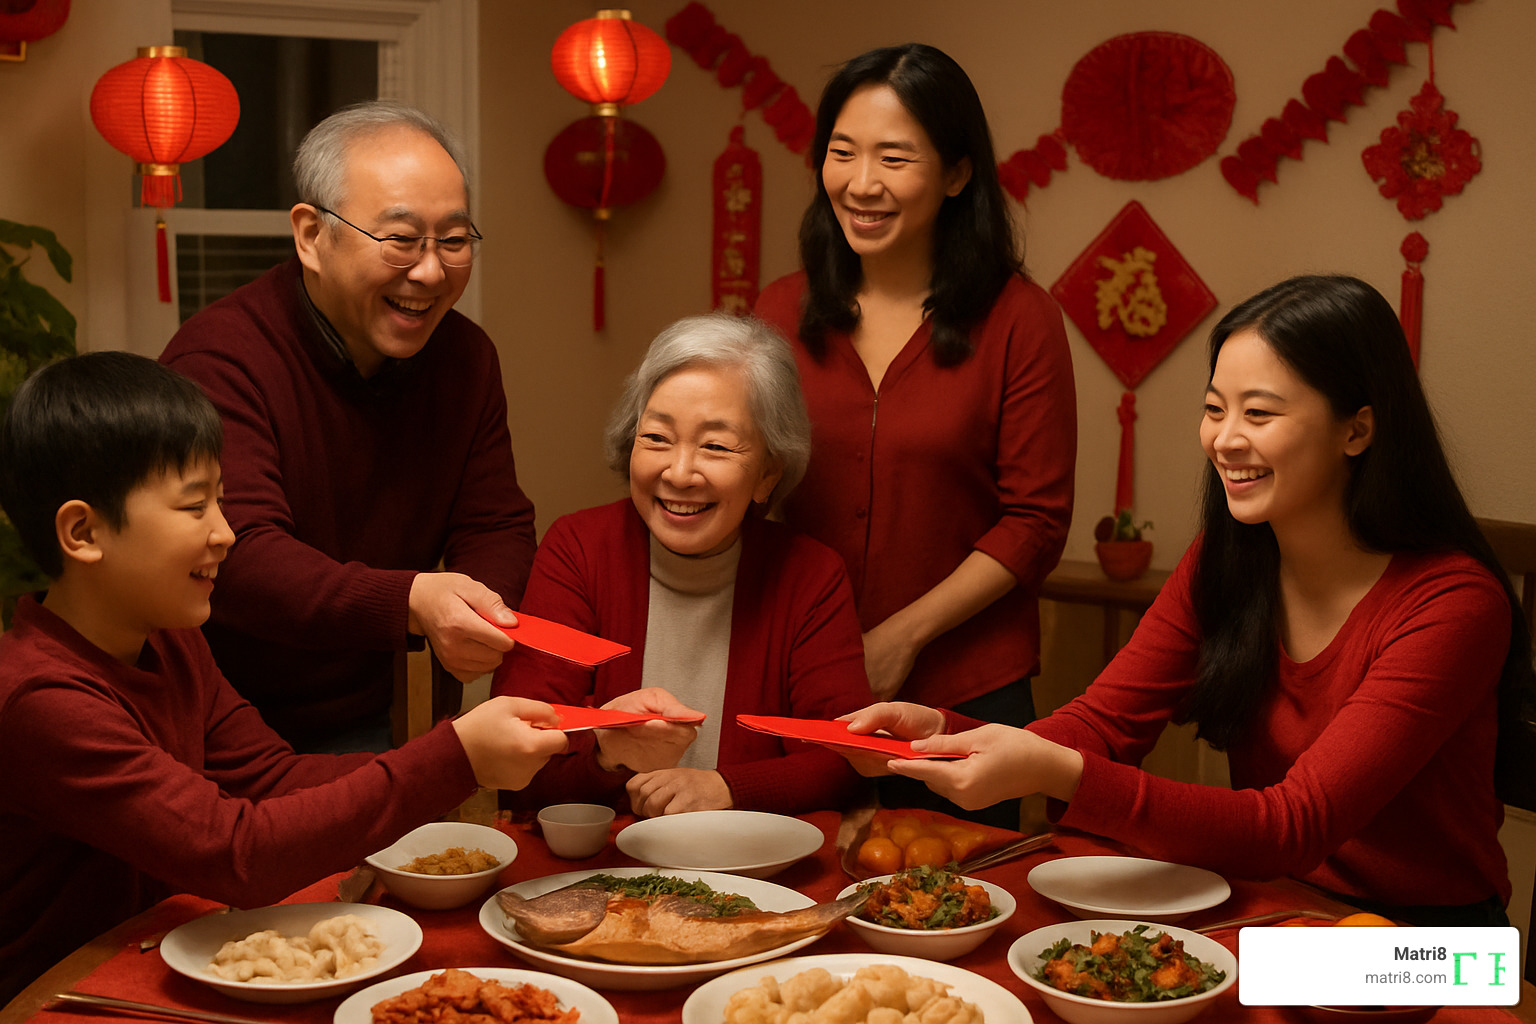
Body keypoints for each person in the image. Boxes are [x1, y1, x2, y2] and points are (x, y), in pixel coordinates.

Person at [838, 275, 1532, 925]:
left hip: (1434, 948)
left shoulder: (1455, 604)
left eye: (1258, 413)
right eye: (1213, 410)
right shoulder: (1230, 559)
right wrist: (940, 735)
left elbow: (1295, 825)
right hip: (1274, 906)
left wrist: (1055, 770)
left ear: (1358, 428)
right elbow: (1104, 724)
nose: (1225, 440)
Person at [0, 352, 568, 1004]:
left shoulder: (172, 642)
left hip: (148, 964)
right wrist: (455, 758)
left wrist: (465, 750)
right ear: (83, 531)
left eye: (221, 499)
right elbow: (238, 853)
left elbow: (271, 780)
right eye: (194, 507)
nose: (225, 532)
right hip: (55, 999)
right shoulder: (40, 700)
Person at [753, 43, 1075, 827]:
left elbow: (1035, 521)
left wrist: (900, 637)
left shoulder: (1020, 319)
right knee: (792, 902)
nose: (862, 184)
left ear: (957, 173)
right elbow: (745, 488)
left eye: (894, 158)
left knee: (955, 912)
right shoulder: (777, 313)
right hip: (799, 685)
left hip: (968, 688)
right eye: (842, 153)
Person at [161, 100, 535, 752]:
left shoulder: (466, 357)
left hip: (396, 706)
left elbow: (495, 522)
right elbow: (240, 553)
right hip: (229, 716)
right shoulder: (221, 356)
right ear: (311, 235)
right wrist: (412, 600)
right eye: (400, 239)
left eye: (452, 240)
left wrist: (479, 611)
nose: (429, 271)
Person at [491, 314, 873, 817]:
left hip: (753, 873)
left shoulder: (810, 576)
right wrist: (607, 756)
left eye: (714, 446)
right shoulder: (579, 550)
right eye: (656, 438)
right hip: (600, 874)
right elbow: (515, 768)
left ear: (766, 475)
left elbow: (842, 761)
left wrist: (729, 789)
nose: (679, 472)